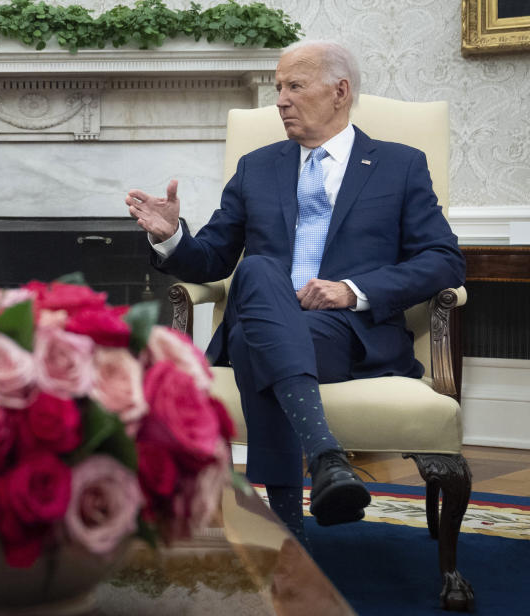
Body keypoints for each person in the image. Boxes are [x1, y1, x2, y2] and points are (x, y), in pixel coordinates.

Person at [125, 40, 465, 543]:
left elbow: (444, 259)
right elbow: (215, 258)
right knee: (259, 269)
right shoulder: (256, 167)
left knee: (251, 344)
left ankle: (287, 529)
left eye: (294, 86)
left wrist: (353, 290)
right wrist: (171, 235)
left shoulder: (400, 165)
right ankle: (325, 457)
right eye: (278, 87)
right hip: (270, 316)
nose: (280, 99)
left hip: (347, 333)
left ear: (340, 92)